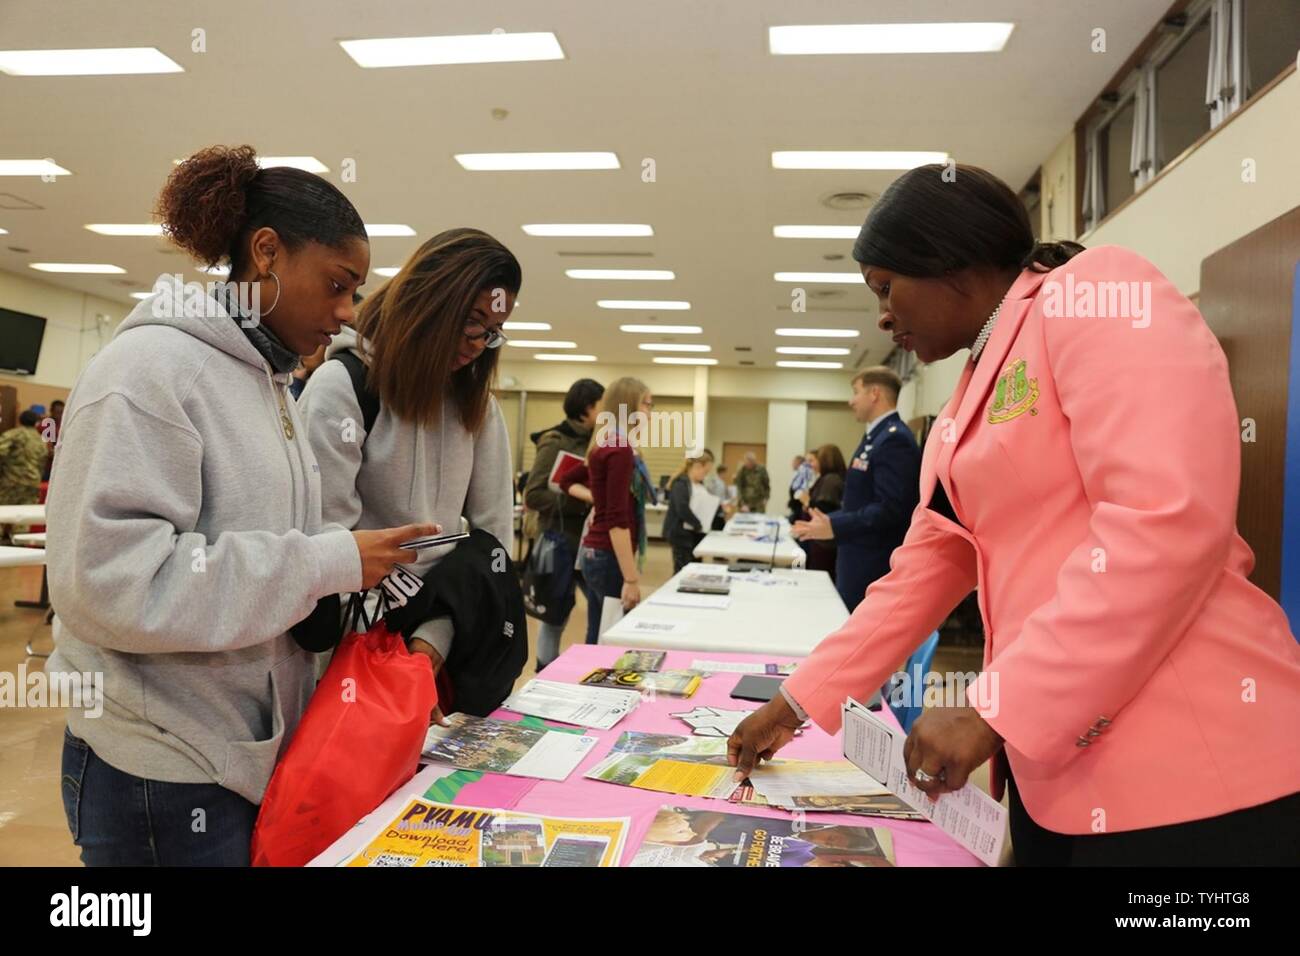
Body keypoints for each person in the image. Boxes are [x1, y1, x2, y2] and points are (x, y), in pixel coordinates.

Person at [729, 162, 1300, 866]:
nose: (882, 314)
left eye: (885, 287)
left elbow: (1165, 521)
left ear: (949, 265)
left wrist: (994, 707)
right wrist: (793, 706)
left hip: (1195, 786)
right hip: (1054, 775)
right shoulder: (969, 393)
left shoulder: (1097, 295)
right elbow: (924, 572)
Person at [44, 144, 434, 866]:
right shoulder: (149, 372)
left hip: (236, 751)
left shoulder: (268, 383)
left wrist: (351, 569)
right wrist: (327, 561)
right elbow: (107, 583)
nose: (348, 314)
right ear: (266, 254)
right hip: (159, 766)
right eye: (339, 285)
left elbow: (260, 542)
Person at [300, 228, 519, 722]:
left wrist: (430, 646)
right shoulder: (344, 387)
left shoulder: (477, 408)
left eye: (492, 331)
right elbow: (324, 545)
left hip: (438, 649)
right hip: (345, 658)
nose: (478, 343)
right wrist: (384, 661)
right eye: (470, 321)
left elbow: (492, 548)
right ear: (427, 299)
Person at [792, 367, 920, 611]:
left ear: (874, 393)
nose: (851, 401)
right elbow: (859, 502)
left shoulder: (895, 439)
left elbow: (891, 508)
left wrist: (835, 525)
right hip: (854, 556)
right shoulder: (875, 437)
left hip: (872, 561)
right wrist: (827, 521)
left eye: (855, 392)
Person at [560, 377, 654, 644]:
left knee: (599, 632)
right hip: (607, 553)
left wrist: (598, 498)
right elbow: (617, 520)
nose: (650, 411)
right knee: (611, 636)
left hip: (596, 552)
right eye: (646, 404)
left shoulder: (610, 444)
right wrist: (631, 578)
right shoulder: (620, 449)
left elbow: (570, 481)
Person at [521, 377, 605, 669]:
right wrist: (580, 499)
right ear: (587, 407)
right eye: (602, 405)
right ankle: (545, 670)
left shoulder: (599, 440)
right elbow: (533, 494)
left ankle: (595, 668)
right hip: (558, 539)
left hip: (590, 541)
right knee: (555, 612)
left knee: (602, 607)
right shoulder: (554, 441)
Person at [793, 444, 846, 577]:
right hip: (818, 539)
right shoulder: (825, 479)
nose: (810, 465)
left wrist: (808, 501)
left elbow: (824, 508)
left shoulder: (831, 480)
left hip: (824, 543)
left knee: (819, 573)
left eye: (814, 460)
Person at [662, 453, 712, 573]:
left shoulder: (699, 485)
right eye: (705, 472)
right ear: (698, 466)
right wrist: (698, 523)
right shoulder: (681, 484)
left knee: (694, 569)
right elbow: (682, 508)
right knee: (683, 570)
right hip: (681, 535)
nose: (705, 476)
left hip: (694, 534)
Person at [786, 451, 815, 522]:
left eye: (794, 462)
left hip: (800, 506)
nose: (792, 464)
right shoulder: (798, 474)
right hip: (796, 505)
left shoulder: (805, 472)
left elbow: (801, 491)